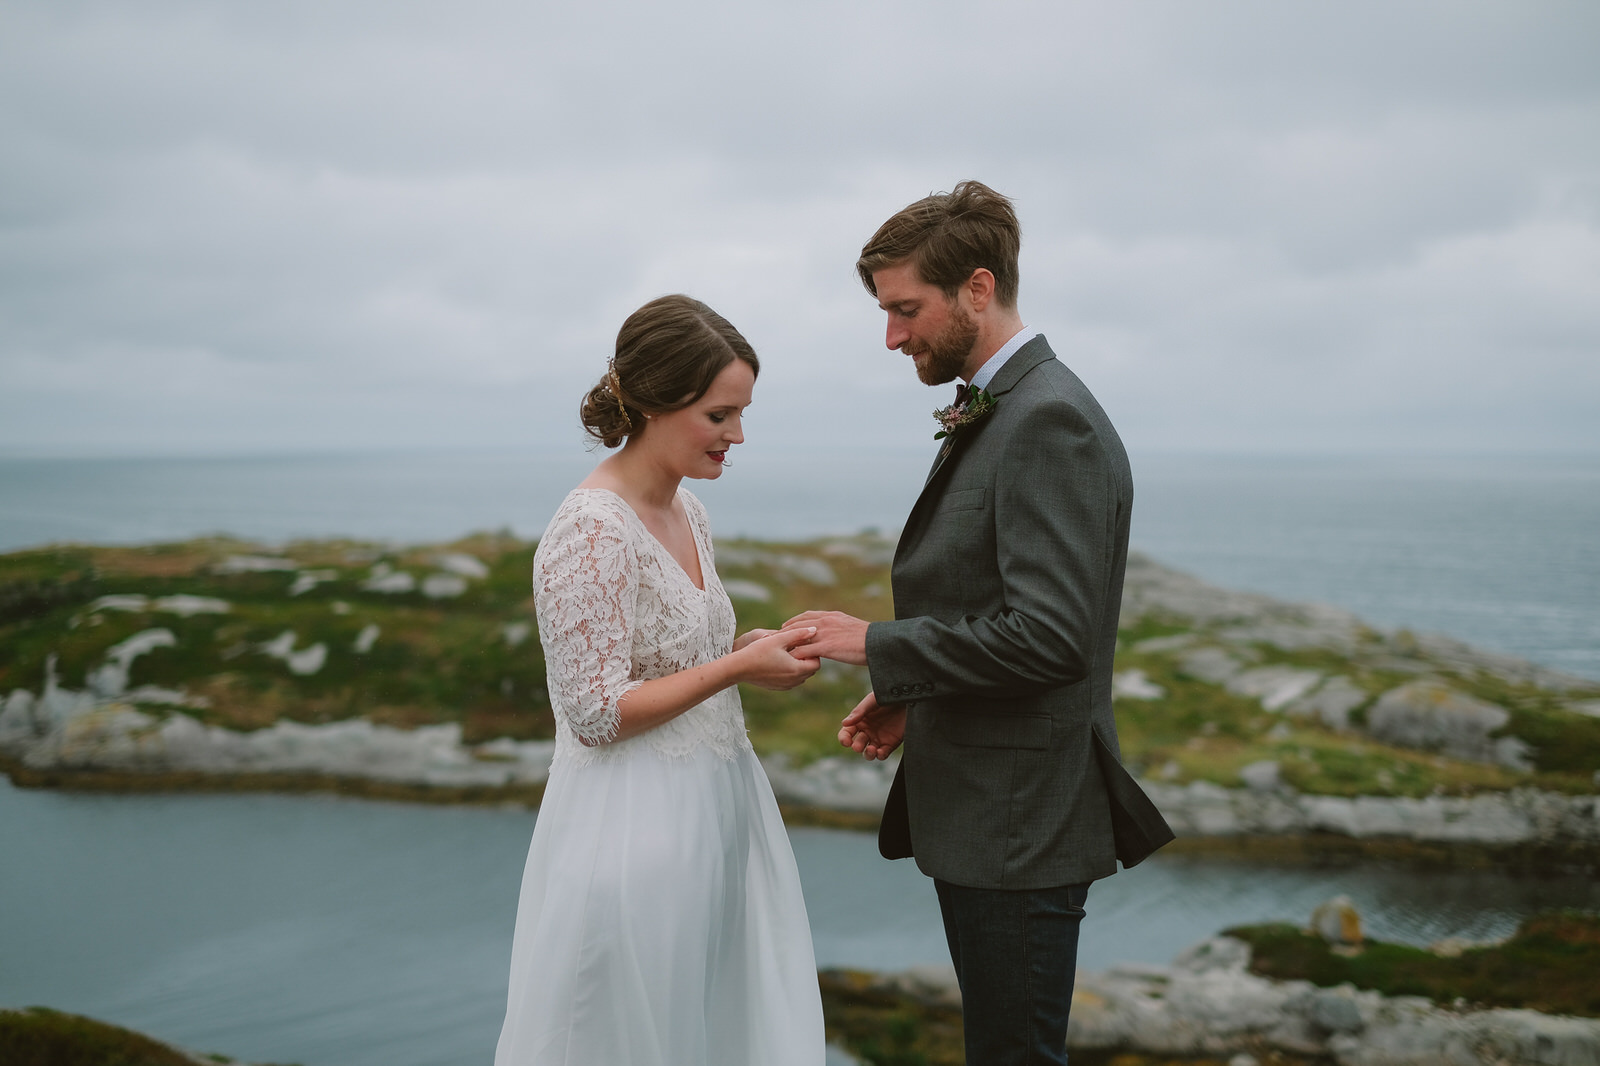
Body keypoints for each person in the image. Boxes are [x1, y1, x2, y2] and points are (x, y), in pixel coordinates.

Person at [786, 181, 1175, 1065]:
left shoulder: (1049, 420)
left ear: (977, 287)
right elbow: (994, 609)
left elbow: (1051, 636)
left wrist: (875, 645)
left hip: (1021, 825)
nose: (891, 336)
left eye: (904, 309)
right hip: (992, 813)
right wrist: (916, 695)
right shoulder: (1010, 403)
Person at [494, 295, 826, 1066]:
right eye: (719, 415)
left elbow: (681, 658)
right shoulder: (590, 530)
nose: (737, 435)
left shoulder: (689, 510)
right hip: (627, 832)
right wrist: (738, 666)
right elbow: (596, 713)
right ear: (649, 403)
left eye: (741, 413)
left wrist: (754, 647)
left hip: (714, 818)